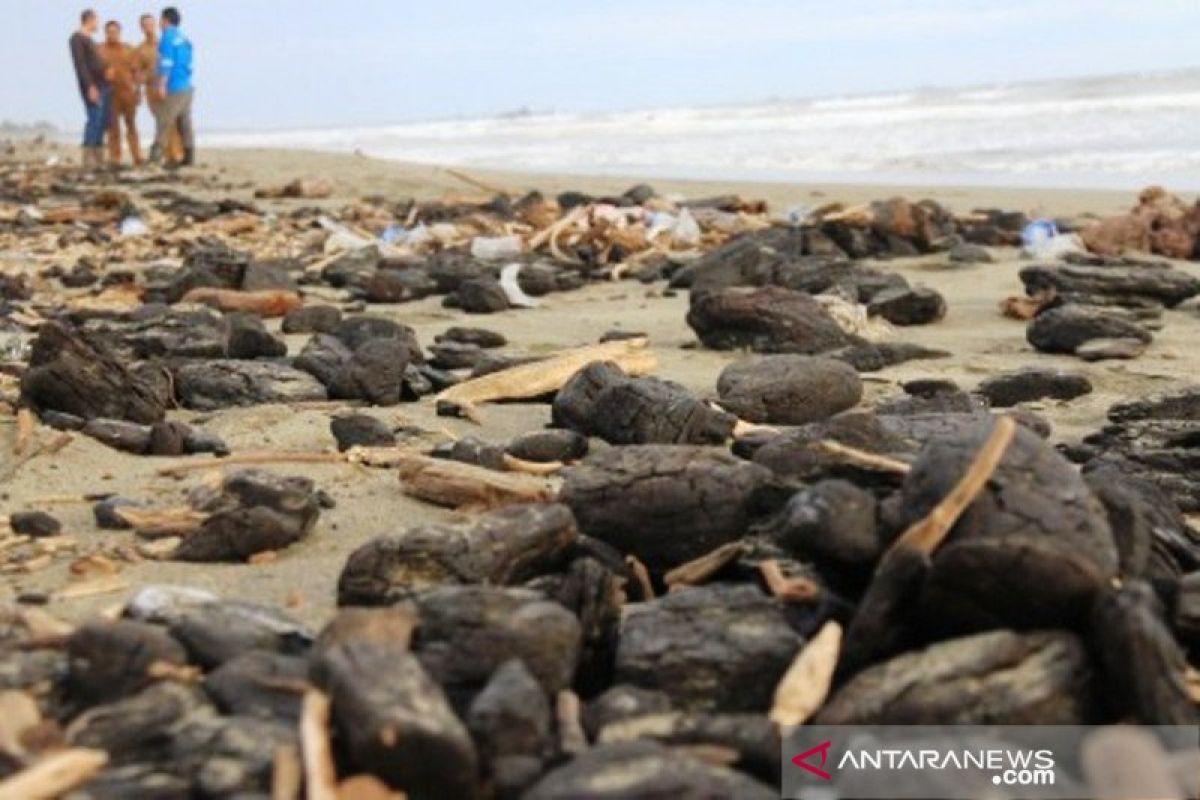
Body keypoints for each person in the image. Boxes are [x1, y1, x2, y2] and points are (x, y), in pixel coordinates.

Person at [135, 12, 183, 163]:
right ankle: (167, 155)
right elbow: (137, 73)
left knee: (173, 121)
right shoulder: (140, 49)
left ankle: (176, 155)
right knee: (161, 122)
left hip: (170, 87)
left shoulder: (167, 42)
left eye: (150, 24)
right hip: (151, 90)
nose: (148, 27)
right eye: (145, 25)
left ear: (156, 25)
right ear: (141, 28)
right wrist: (138, 88)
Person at [149, 6, 194, 167]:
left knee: (164, 120)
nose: (159, 24)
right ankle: (189, 156)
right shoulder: (184, 38)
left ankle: (155, 156)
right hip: (187, 85)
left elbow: (167, 62)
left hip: (174, 86)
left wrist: (162, 85)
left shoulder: (167, 37)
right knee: (184, 122)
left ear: (165, 20)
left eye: (160, 20)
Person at [69, 9, 109, 168]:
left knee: (101, 121)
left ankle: (98, 156)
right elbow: (81, 65)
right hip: (92, 85)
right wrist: (90, 86)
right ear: (89, 20)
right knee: (94, 119)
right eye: (96, 21)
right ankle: (88, 157)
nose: (97, 24)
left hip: (103, 84)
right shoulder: (77, 39)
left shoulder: (90, 39)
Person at [98, 20, 142, 165]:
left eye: (115, 32)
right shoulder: (99, 50)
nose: (112, 35)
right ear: (105, 33)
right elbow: (94, 71)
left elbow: (136, 72)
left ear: (119, 33)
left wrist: (138, 91)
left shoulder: (129, 49)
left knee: (132, 125)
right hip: (110, 94)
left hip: (128, 93)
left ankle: (137, 155)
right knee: (113, 127)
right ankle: (115, 157)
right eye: (109, 32)